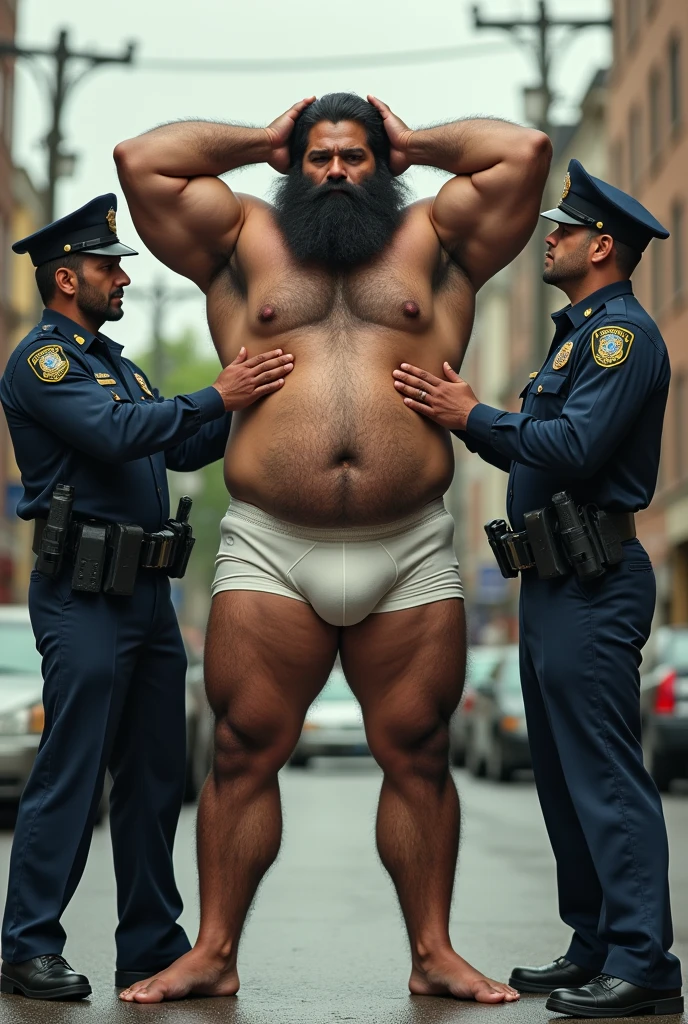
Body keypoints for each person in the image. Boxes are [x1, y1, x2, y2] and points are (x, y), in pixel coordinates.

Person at [113, 92, 551, 1004]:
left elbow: (525, 151)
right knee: (241, 748)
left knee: (420, 749)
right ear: (293, 164)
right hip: (274, 543)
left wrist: (413, 140)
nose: (338, 172)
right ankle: (216, 949)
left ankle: (432, 949)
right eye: (319, 157)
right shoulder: (242, 239)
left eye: (356, 156)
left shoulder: (436, 237)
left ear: (382, 162)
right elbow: (140, 160)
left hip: (410, 545)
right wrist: (257, 140)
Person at [390, 159, 684, 1019]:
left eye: (563, 229)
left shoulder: (620, 338)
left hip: (597, 578)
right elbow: (532, 444)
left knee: (603, 773)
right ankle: (593, 940)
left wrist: (474, 414)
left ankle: (643, 962)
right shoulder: (573, 338)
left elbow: (577, 448)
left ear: (602, 246)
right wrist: (470, 419)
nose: (547, 237)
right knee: (559, 776)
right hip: (554, 582)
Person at [0, 194, 295, 1001]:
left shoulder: (118, 364)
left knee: (157, 774)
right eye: (108, 266)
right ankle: (28, 945)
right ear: (66, 277)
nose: (122, 276)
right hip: (82, 596)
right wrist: (216, 398)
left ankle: (150, 946)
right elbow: (120, 434)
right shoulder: (44, 362)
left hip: (146, 598)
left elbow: (187, 439)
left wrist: (251, 381)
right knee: (73, 770)